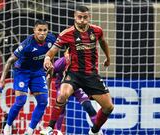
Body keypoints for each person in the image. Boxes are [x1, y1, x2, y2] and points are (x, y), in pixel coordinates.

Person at [40, 5, 114, 135]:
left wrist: (108, 58)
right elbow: (52, 51)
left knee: (108, 107)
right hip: (73, 74)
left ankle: (95, 130)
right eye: (79, 17)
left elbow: (102, 41)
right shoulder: (66, 34)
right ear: (75, 17)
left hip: (91, 75)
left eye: (85, 17)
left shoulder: (97, 31)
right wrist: (47, 59)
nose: (82, 20)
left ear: (89, 17)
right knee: (62, 95)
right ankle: (50, 127)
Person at [0, 20, 56, 135]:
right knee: (21, 101)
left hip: (38, 72)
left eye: (45, 30)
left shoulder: (51, 40)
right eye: (39, 30)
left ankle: (29, 131)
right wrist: (2, 81)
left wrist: (47, 88)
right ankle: (8, 125)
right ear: (34, 30)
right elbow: (9, 61)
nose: (42, 33)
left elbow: (51, 59)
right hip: (22, 72)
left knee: (43, 102)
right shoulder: (27, 44)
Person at [51, 49, 97, 131]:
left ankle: (98, 130)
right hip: (62, 86)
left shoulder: (83, 63)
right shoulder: (60, 63)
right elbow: (50, 73)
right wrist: (47, 88)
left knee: (88, 106)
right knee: (61, 105)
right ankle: (57, 131)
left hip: (77, 87)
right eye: (68, 53)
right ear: (65, 53)